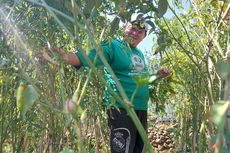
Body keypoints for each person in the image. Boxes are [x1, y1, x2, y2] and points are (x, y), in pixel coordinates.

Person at [37, 18, 171, 153]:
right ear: (125, 27)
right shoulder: (113, 45)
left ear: (145, 35)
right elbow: (90, 57)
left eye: (140, 31)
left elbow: (143, 80)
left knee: (139, 149)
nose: (135, 33)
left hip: (141, 108)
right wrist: (65, 56)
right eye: (133, 28)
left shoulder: (139, 53)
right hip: (121, 108)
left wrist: (158, 75)